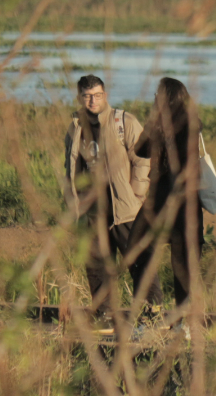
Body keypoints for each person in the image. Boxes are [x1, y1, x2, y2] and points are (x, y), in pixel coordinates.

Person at [63, 74, 156, 325]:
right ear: (80, 98)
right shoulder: (75, 127)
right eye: (87, 96)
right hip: (91, 210)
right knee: (96, 267)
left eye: (97, 95)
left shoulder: (124, 122)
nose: (92, 101)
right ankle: (104, 314)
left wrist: (136, 195)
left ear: (105, 95)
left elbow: (143, 159)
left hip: (123, 209)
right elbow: (70, 166)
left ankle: (152, 314)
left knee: (139, 261)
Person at [128, 78, 204, 317]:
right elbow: (140, 150)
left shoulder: (183, 126)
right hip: (182, 201)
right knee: (181, 261)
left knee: (142, 249)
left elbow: (143, 151)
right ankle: (172, 316)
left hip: (169, 200)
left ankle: (159, 312)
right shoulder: (185, 124)